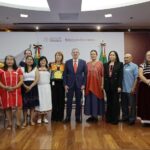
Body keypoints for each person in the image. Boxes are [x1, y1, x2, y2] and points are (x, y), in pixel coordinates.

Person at [63, 48, 87, 123]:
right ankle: (67, 117)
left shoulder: (83, 62)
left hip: (79, 85)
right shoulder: (67, 62)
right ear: (71, 53)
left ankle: (77, 117)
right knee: (69, 101)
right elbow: (64, 75)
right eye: (74, 52)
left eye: (77, 52)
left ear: (79, 53)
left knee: (78, 102)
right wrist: (65, 84)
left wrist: (83, 84)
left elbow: (86, 75)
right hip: (69, 85)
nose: (75, 53)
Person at [0, 55, 23, 130]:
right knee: (7, 107)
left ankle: (18, 123)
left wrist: (14, 87)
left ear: (14, 61)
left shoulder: (18, 70)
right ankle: (9, 123)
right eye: (8, 59)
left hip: (16, 91)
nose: (9, 61)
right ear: (5, 61)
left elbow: (21, 81)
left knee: (19, 107)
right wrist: (4, 87)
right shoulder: (1, 70)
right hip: (5, 91)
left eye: (11, 59)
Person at [84, 50, 105, 123]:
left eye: (94, 54)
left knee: (95, 100)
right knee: (89, 100)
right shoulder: (87, 64)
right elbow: (85, 75)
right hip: (88, 84)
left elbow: (102, 75)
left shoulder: (100, 64)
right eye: (91, 54)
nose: (93, 55)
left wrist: (102, 84)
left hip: (97, 85)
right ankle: (91, 116)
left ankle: (95, 116)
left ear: (96, 55)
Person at [104, 51, 123, 125]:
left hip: (116, 86)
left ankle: (115, 119)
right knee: (109, 102)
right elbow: (105, 76)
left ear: (116, 56)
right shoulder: (105, 64)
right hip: (107, 86)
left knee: (115, 103)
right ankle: (109, 118)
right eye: (110, 55)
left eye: (113, 55)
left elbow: (120, 76)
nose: (111, 56)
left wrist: (119, 86)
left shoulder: (120, 64)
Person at [21, 56, 39, 127]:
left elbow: (37, 79)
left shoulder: (35, 69)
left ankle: (31, 120)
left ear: (33, 61)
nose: (29, 61)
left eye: (31, 59)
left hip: (33, 87)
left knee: (32, 106)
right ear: (25, 60)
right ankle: (25, 121)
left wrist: (30, 86)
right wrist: (25, 86)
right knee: (24, 106)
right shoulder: (21, 69)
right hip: (24, 87)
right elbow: (20, 79)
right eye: (28, 59)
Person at [121, 53, 138, 125]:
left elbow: (136, 78)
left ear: (131, 58)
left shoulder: (134, 66)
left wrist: (133, 88)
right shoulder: (122, 66)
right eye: (125, 57)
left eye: (127, 57)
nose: (125, 59)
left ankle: (132, 119)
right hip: (123, 89)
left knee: (132, 105)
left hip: (130, 89)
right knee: (124, 105)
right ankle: (125, 117)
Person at [35, 56, 52, 124]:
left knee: (46, 102)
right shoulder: (36, 69)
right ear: (39, 62)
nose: (43, 62)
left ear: (46, 62)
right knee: (40, 102)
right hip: (39, 87)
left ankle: (45, 117)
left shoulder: (49, 69)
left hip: (47, 87)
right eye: (41, 61)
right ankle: (39, 117)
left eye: (44, 61)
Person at [49, 51, 65, 122]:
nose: (58, 56)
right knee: (54, 100)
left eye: (60, 55)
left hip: (62, 83)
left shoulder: (64, 65)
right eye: (57, 55)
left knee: (61, 100)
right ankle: (54, 116)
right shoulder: (51, 64)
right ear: (55, 57)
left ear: (62, 57)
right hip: (53, 83)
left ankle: (60, 117)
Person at [138, 51, 150, 127]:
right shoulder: (142, 65)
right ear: (145, 56)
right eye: (148, 55)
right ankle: (146, 121)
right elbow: (140, 75)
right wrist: (147, 82)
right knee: (145, 103)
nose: (149, 56)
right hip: (144, 87)